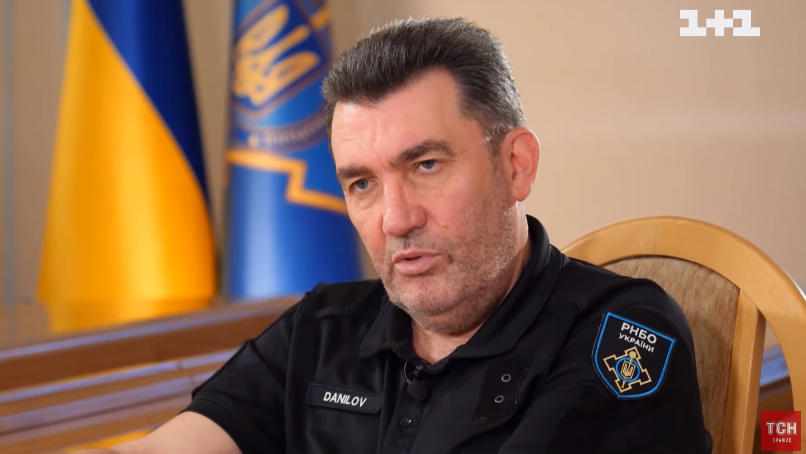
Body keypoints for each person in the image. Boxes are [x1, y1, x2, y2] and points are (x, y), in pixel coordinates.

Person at [77, 17, 710, 454]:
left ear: (515, 165)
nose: (395, 218)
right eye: (362, 183)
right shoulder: (324, 327)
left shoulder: (622, 331)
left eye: (425, 166)